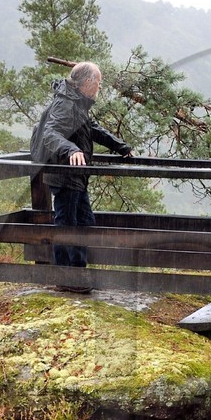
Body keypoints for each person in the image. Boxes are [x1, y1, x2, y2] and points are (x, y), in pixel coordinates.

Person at [34, 61, 133, 284]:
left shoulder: (76, 103)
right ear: (88, 82)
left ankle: (77, 274)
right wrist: (71, 149)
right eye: (98, 82)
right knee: (68, 226)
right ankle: (65, 278)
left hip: (75, 176)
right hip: (64, 175)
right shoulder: (65, 104)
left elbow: (92, 129)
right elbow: (50, 133)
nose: (99, 87)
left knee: (83, 223)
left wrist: (120, 146)